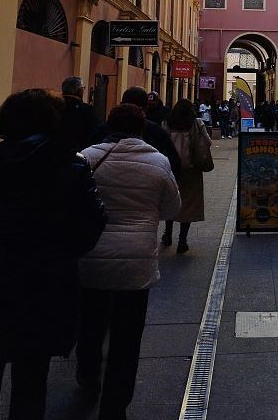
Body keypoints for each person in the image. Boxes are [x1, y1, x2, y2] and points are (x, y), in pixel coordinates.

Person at [0, 89, 106, 420]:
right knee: (32, 377)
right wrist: (62, 256)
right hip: (46, 284)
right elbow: (91, 226)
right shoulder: (70, 168)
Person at [76, 103, 180, 420]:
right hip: (136, 261)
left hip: (91, 256)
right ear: (142, 127)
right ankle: (115, 405)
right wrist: (145, 218)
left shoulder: (86, 158)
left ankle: (87, 373)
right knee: (128, 335)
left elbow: (72, 203)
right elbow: (172, 208)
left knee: (91, 321)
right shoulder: (158, 161)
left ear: (109, 124)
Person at [161, 98, 212, 252]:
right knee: (188, 204)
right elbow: (208, 142)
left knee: (170, 200)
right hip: (192, 169)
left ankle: (167, 235)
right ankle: (182, 241)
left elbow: (162, 143)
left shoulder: (167, 123)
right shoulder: (197, 123)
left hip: (171, 168)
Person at [61, 75, 102, 151]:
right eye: (83, 88)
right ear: (80, 90)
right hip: (78, 152)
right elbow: (95, 133)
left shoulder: (53, 106)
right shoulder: (86, 110)